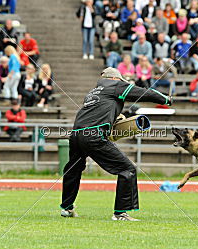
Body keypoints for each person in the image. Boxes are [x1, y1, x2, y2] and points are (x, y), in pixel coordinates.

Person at [60, 67, 172, 221]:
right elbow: (142, 93)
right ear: (115, 78)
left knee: (73, 169)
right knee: (127, 169)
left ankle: (67, 208)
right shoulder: (113, 85)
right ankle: (120, 213)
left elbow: (100, 112)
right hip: (94, 135)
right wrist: (165, 99)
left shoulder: (92, 93)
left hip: (76, 134)